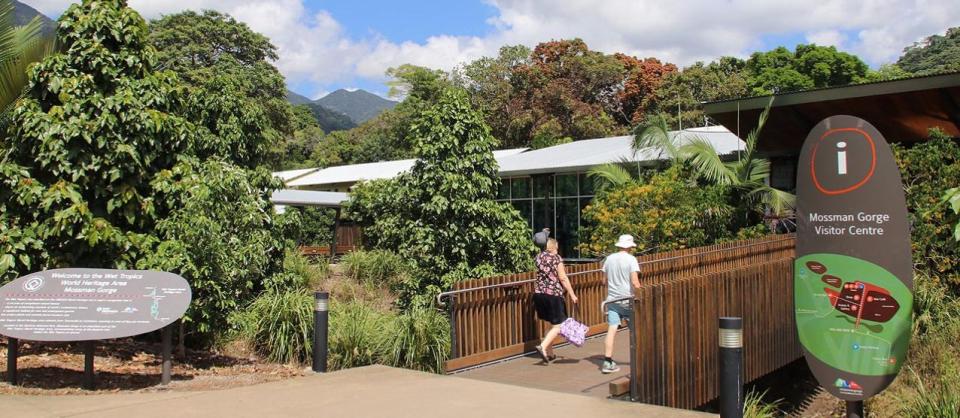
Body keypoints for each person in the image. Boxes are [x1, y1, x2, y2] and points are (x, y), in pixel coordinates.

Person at [600, 234, 641, 374]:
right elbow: (635, 282)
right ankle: (639, 359)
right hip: (627, 300)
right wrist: (641, 294)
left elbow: (603, 281)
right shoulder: (631, 260)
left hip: (612, 300)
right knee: (636, 330)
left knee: (612, 330)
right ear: (630, 246)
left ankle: (607, 361)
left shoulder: (609, 259)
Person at [533, 238, 577, 363]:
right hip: (553, 294)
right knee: (559, 325)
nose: (558, 250)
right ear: (552, 247)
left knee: (550, 324)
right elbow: (562, 277)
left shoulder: (538, 257)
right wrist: (572, 294)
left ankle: (550, 353)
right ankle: (542, 346)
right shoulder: (556, 258)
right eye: (557, 247)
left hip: (539, 294)